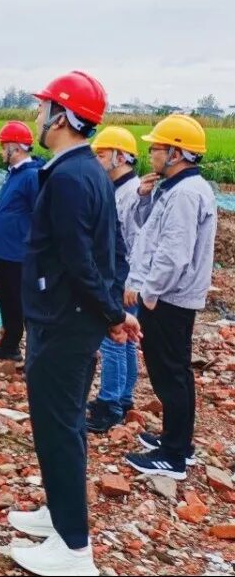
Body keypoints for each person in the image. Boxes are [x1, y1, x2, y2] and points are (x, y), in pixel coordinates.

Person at [7, 71, 141, 577]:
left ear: (62, 117)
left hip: (62, 322)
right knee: (64, 426)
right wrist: (113, 312)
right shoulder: (86, 172)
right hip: (74, 319)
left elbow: (81, 258)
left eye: (44, 109)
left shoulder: (68, 177)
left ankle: (73, 548)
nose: (39, 117)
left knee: (58, 428)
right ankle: (59, 514)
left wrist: (112, 314)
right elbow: (108, 252)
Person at [123, 115, 217, 479]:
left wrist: (150, 292)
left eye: (156, 148)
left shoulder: (185, 194)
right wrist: (145, 196)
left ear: (176, 152)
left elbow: (173, 253)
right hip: (170, 296)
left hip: (169, 299)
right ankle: (177, 442)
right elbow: (152, 233)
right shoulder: (176, 189)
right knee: (173, 371)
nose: (151, 154)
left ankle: (174, 455)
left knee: (170, 373)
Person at [86, 126, 142, 432]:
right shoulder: (119, 190)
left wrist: (125, 283)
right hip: (124, 277)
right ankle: (123, 397)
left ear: (120, 157)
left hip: (123, 279)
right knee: (127, 342)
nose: (97, 160)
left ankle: (110, 405)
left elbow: (132, 242)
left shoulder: (130, 194)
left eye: (102, 154)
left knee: (113, 342)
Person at [0, 121, 43, 361]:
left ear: (15, 148)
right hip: (6, 252)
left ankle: (33, 352)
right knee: (7, 299)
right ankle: (10, 344)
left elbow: (39, 214)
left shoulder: (31, 177)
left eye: (3, 146)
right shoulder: (14, 174)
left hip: (21, 253)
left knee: (23, 302)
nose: (0, 151)